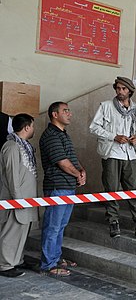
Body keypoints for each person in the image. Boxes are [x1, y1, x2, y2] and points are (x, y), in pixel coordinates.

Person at [89, 77, 136, 239]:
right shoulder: (106, 106)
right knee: (112, 189)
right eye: (118, 88)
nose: (120, 92)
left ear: (130, 91)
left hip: (130, 154)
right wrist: (113, 136)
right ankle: (113, 221)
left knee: (134, 189)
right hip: (112, 153)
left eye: (123, 89)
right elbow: (93, 127)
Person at [39, 102, 85, 277]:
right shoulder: (51, 135)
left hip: (68, 186)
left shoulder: (63, 134)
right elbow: (62, 162)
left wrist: (81, 171)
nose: (69, 114)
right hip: (57, 187)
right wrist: (77, 174)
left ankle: (56, 258)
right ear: (54, 114)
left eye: (69, 110)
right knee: (53, 226)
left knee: (60, 226)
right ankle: (48, 264)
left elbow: (71, 157)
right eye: (65, 111)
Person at [0, 114, 38, 277]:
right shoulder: (11, 146)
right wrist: (17, 199)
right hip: (17, 199)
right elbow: (12, 175)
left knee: (21, 231)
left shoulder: (24, 145)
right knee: (11, 231)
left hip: (26, 197)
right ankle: (5, 264)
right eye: (33, 126)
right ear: (27, 127)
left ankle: (17, 259)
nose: (33, 129)